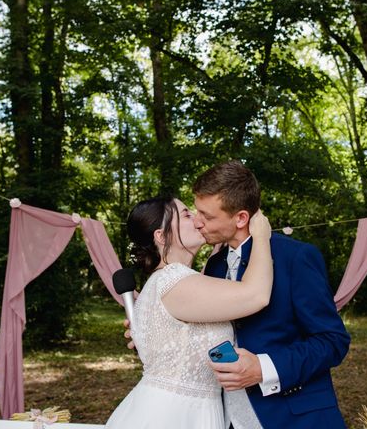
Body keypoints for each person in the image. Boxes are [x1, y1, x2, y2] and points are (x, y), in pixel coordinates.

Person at [193, 160, 350, 429]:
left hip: (295, 418)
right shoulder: (214, 265)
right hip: (226, 418)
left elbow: (333, 341)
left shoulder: (295, 257)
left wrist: (263, 369)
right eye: (197, 212)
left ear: (241, 217)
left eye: (207, 216)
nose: (197, 223)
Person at [105, 194, 273, 429]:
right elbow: (256, 295)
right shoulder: (173, 281)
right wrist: (262, 236)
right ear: (161, 236)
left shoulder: (174, 281)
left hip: (190, 411)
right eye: (186, 214)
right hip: (171, 416)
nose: (196, 219)